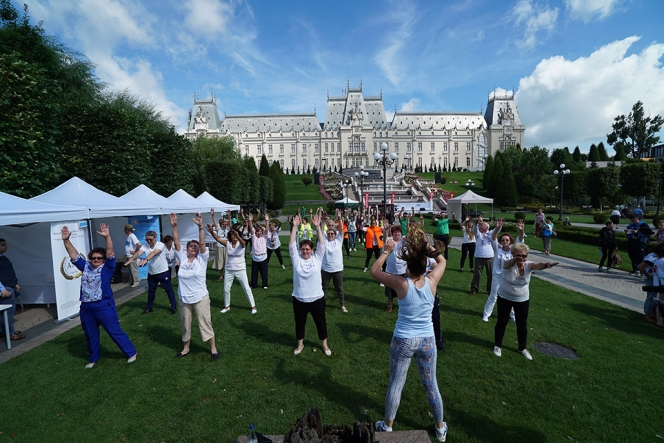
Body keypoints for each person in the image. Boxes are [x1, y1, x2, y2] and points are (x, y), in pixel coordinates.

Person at [369, 232, 448, 442]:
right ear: (425, 266)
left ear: (407, 266)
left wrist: (386, 251)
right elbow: (442, 260)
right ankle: (440, 429)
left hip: (403, 340)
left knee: (396, 383)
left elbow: (374, 270)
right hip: (427, 340)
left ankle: (387, 426)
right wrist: (426, 244)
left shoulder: (401, 284)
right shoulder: (432, 280)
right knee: (431, 384)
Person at [61, 224, 136, 368]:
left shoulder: (108, 267)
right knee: (90, 333)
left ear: (103, 259)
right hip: (86, 307)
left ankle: (131, 352)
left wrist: (107, 236)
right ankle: (94, 358)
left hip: (103, 305)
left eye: (99, 258)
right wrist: (66, 240)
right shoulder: (86, 266)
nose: (96, 260)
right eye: (93, 258)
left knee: (113, 330)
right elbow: (73, 255)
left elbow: (110, 253)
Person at [493, 243, 559, 360]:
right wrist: (515, 260)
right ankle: (498, 345)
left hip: (522, 299)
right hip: (505, 297)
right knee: (502, 321)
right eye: (519, 256)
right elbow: (509, 264)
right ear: (513, 255)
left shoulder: (528, 265)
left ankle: (522, 348)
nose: (522, 258)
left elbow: (538, 265)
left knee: (522, 324)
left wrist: (546, 264)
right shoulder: (508, 263)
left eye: (524, 256)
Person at [168, 213, 218, 360]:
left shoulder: (202, 259)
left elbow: (202, 244)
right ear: (187, 248)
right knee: (185, 324)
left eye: (195, 247)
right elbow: (176, 241)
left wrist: (200, 227)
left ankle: (213, 348)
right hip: (184, 298)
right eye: (191, 246)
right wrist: (174, 226)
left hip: (200, 296)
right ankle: (186, 348)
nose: (194, 248)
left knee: (205, 323)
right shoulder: (182, 258)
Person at [290, 211, 331, 356]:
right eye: (303, 249)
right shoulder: (296, 260)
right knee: (300, 323)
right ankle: (300, 344)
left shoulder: (317, 258)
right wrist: (295, 227)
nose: (305, 251)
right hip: (299, 298)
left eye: (307, 249)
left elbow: (322, 244)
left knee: (321, 322)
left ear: (311, 250)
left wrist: (318, 228)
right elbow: (291, 245)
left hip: (317, 298)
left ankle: (324, 345)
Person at [207, 222, 257, 315]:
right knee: (226, 289)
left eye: (235, 234)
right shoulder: (227, 243)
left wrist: (238, 236)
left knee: (246, 288)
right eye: (232, 235)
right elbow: (217, 238)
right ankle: (227, 306)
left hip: (240, 269)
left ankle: (253, 306)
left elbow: (243, 243)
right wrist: (211, 232)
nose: (233, 236)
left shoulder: (242, 243)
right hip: (229, 269)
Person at [125, 230, 178, 315]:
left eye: (150, 239)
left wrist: (145, 260)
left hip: (163, 272)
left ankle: (173, 307)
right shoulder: (145, 246)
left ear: (155, 238)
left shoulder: (160, 245)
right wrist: (131, 259)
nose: (148, 241)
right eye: (147, 240)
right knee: (151, 291)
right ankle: (149, 308)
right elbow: (138, 252)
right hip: (152, 273)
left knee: (168, 290)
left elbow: (154, 253)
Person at [482, 219, 525, 322]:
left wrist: (521, 230)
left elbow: (520, 239)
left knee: (511, 296)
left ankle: (513, 315)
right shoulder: (497, 249)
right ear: (500, 242)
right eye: (503, 240)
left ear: (510, 241)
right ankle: (486, 314)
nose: (505, 241)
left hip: (510, 276)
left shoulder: (513, 250)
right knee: (493, 296)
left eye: (507, 240)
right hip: (498, 276)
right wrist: (497, 228)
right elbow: (493, 238)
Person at [321, 210, 347, 312]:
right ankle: (321, 305)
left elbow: (341, 231)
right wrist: (323, 220)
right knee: (324, 289)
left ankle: (342, 305)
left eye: (332, 233)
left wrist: (340, 219)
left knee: (339, 289)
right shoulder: (324, 240)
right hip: (326, 270)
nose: (330, 235)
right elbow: (320, 229)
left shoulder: (338, 240)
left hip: (337, 269)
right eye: (329, 233)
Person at [0, 238, 25, 340]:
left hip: (9, 286)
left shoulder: (3, 258)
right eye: (3, 245)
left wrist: (15, 283)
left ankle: (4, 331)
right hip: (5, 289)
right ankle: (11, 333)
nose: (6, 246)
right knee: (9, 312)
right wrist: (2, 289)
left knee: (5, 312)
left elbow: (8, 272)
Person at [470, 216, 495, 296]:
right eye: (480, 226)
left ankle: (490, 289)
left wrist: (499, 226)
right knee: (477, 274)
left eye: (482, 225)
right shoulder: (478, 235)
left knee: (490, 274)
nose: (480, 226)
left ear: (486, 227)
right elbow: (474, 230)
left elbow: (497, 230)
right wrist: (476, 223)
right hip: (479, 256)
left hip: (490, 256)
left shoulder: (491, 233)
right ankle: (474, 289)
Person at [210, 209, 230, 281]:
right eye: (223, 224)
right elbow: (215, 222)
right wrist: (213, 215)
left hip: (227, 247)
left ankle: (227, 275)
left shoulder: (228, 229)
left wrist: (229, 216)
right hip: (219, 247)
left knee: (227, 262)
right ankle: (221, 276)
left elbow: (230, 223)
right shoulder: (219, 229)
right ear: (221, 224)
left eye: (225, 224)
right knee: (220, 261)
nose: (224, 225)